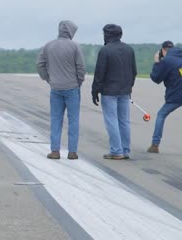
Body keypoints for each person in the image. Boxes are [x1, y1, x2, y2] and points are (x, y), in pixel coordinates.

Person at [36, 20, 86, 160]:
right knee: (73, 120)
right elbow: (81, 67)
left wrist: (48, 78)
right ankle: (72, 152)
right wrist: (78, 82)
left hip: (56, 88)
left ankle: (55, 150)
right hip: (72, 88)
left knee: (56, 119)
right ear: (70, 31)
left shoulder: (49, 46)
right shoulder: (75, 46)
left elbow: (40, 64)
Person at [91, 24, 137, 160]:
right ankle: (125, 150)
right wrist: (130, 87)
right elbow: (134, 71)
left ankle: (116, 151)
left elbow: (99, 73)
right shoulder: (129, 49)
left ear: (108, 35)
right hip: (125, 90)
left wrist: (95, 91)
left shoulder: (105, 50)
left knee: (111, 120)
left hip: (109, 91)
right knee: (124, 121)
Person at [147, 43, 182, 153]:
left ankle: (155, 145)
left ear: (163, 50)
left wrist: (157, 62)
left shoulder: (166, 61)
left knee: (161, 115)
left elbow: (156, 78)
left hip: (177, 95)